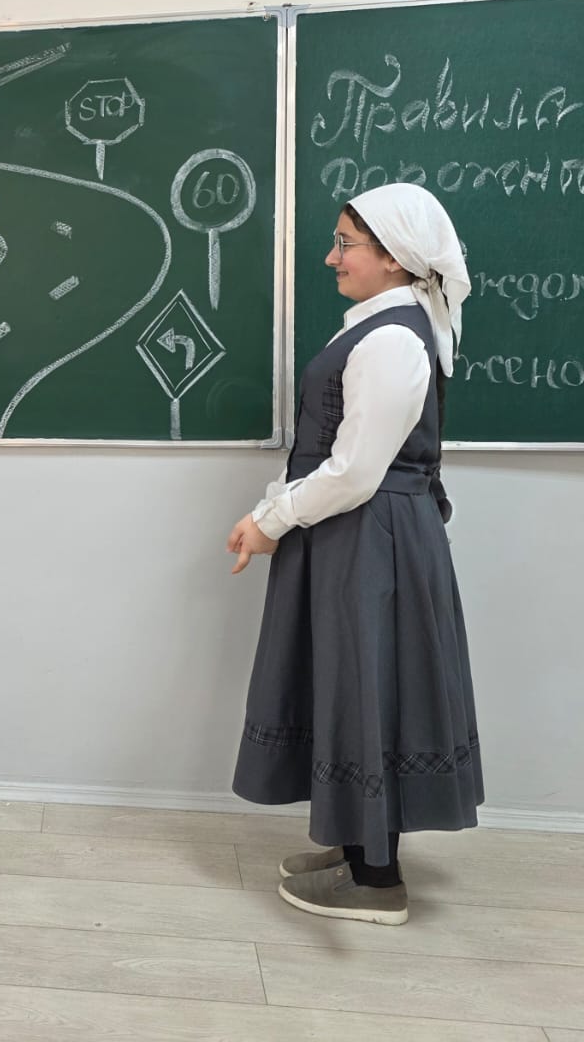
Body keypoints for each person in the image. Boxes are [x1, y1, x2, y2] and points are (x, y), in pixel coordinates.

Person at [227, 181, 482, 926]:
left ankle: (376, 880)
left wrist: (272, 521)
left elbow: (354, 471)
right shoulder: (384, 327)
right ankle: (356, 847)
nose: (332, 257)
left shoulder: (394, 339)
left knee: (371, 686)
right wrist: (273, 512)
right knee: (353, 683)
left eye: (346, 243)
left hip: (372, 536)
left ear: (394, 258)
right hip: (357, 533)